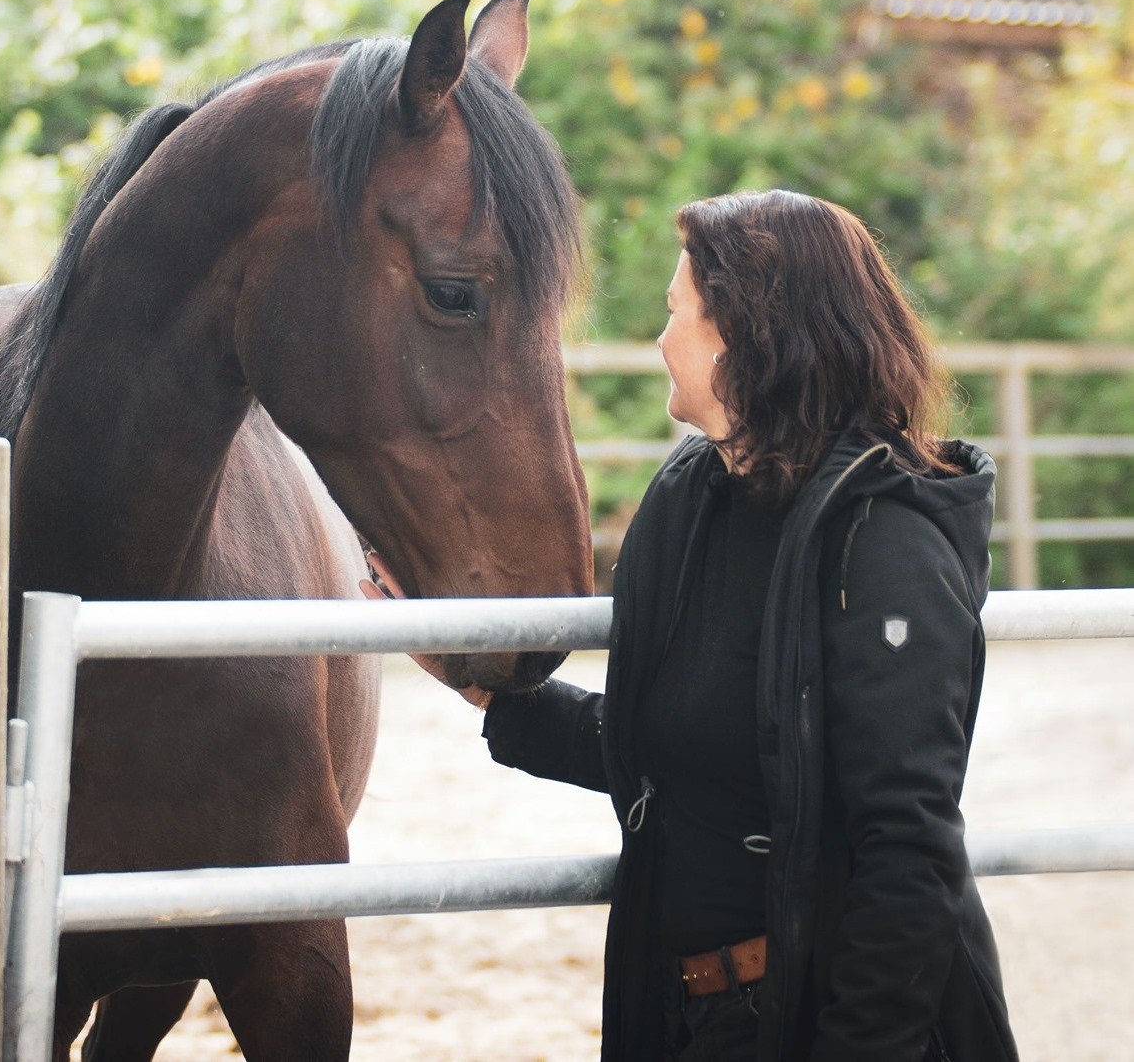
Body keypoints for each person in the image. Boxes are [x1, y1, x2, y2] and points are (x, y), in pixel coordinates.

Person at [362, 189, 1019, 1061]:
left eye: (678, 315)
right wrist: (472, 675)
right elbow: (668, 754)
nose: (659, 341)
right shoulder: (693, 503)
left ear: (749, 336)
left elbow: (909, 852)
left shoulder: (884, 540)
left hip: (826, 1019)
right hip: (689, 1015)